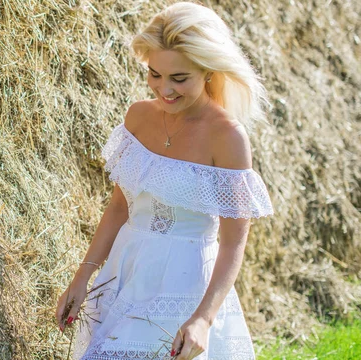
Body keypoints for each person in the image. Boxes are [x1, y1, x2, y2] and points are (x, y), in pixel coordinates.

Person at [55, 2, 274, 360]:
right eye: (155, 74)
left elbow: (234, 241)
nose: (164, 89)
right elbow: (118, 207)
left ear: (207, 71)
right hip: (123, 275)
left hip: (183, 284)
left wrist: (203, 318)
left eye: (179, 78)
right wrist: (83, 278)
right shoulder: (138, 117)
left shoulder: (227, 137)